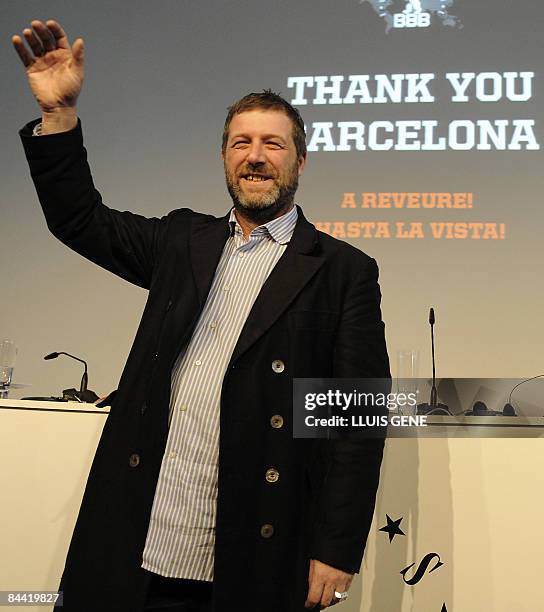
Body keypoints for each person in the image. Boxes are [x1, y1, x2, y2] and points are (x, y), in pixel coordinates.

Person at [13, 19, 390, 612]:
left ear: (300, 161)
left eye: (273, 144)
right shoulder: (180, 241)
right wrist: (59, 120)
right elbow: (79, 219)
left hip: (251, 548)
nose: (256, 157)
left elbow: (354, 428)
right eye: (242, 143)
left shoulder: (343, 271)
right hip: (142, 538)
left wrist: (337, 549)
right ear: (224, 158)